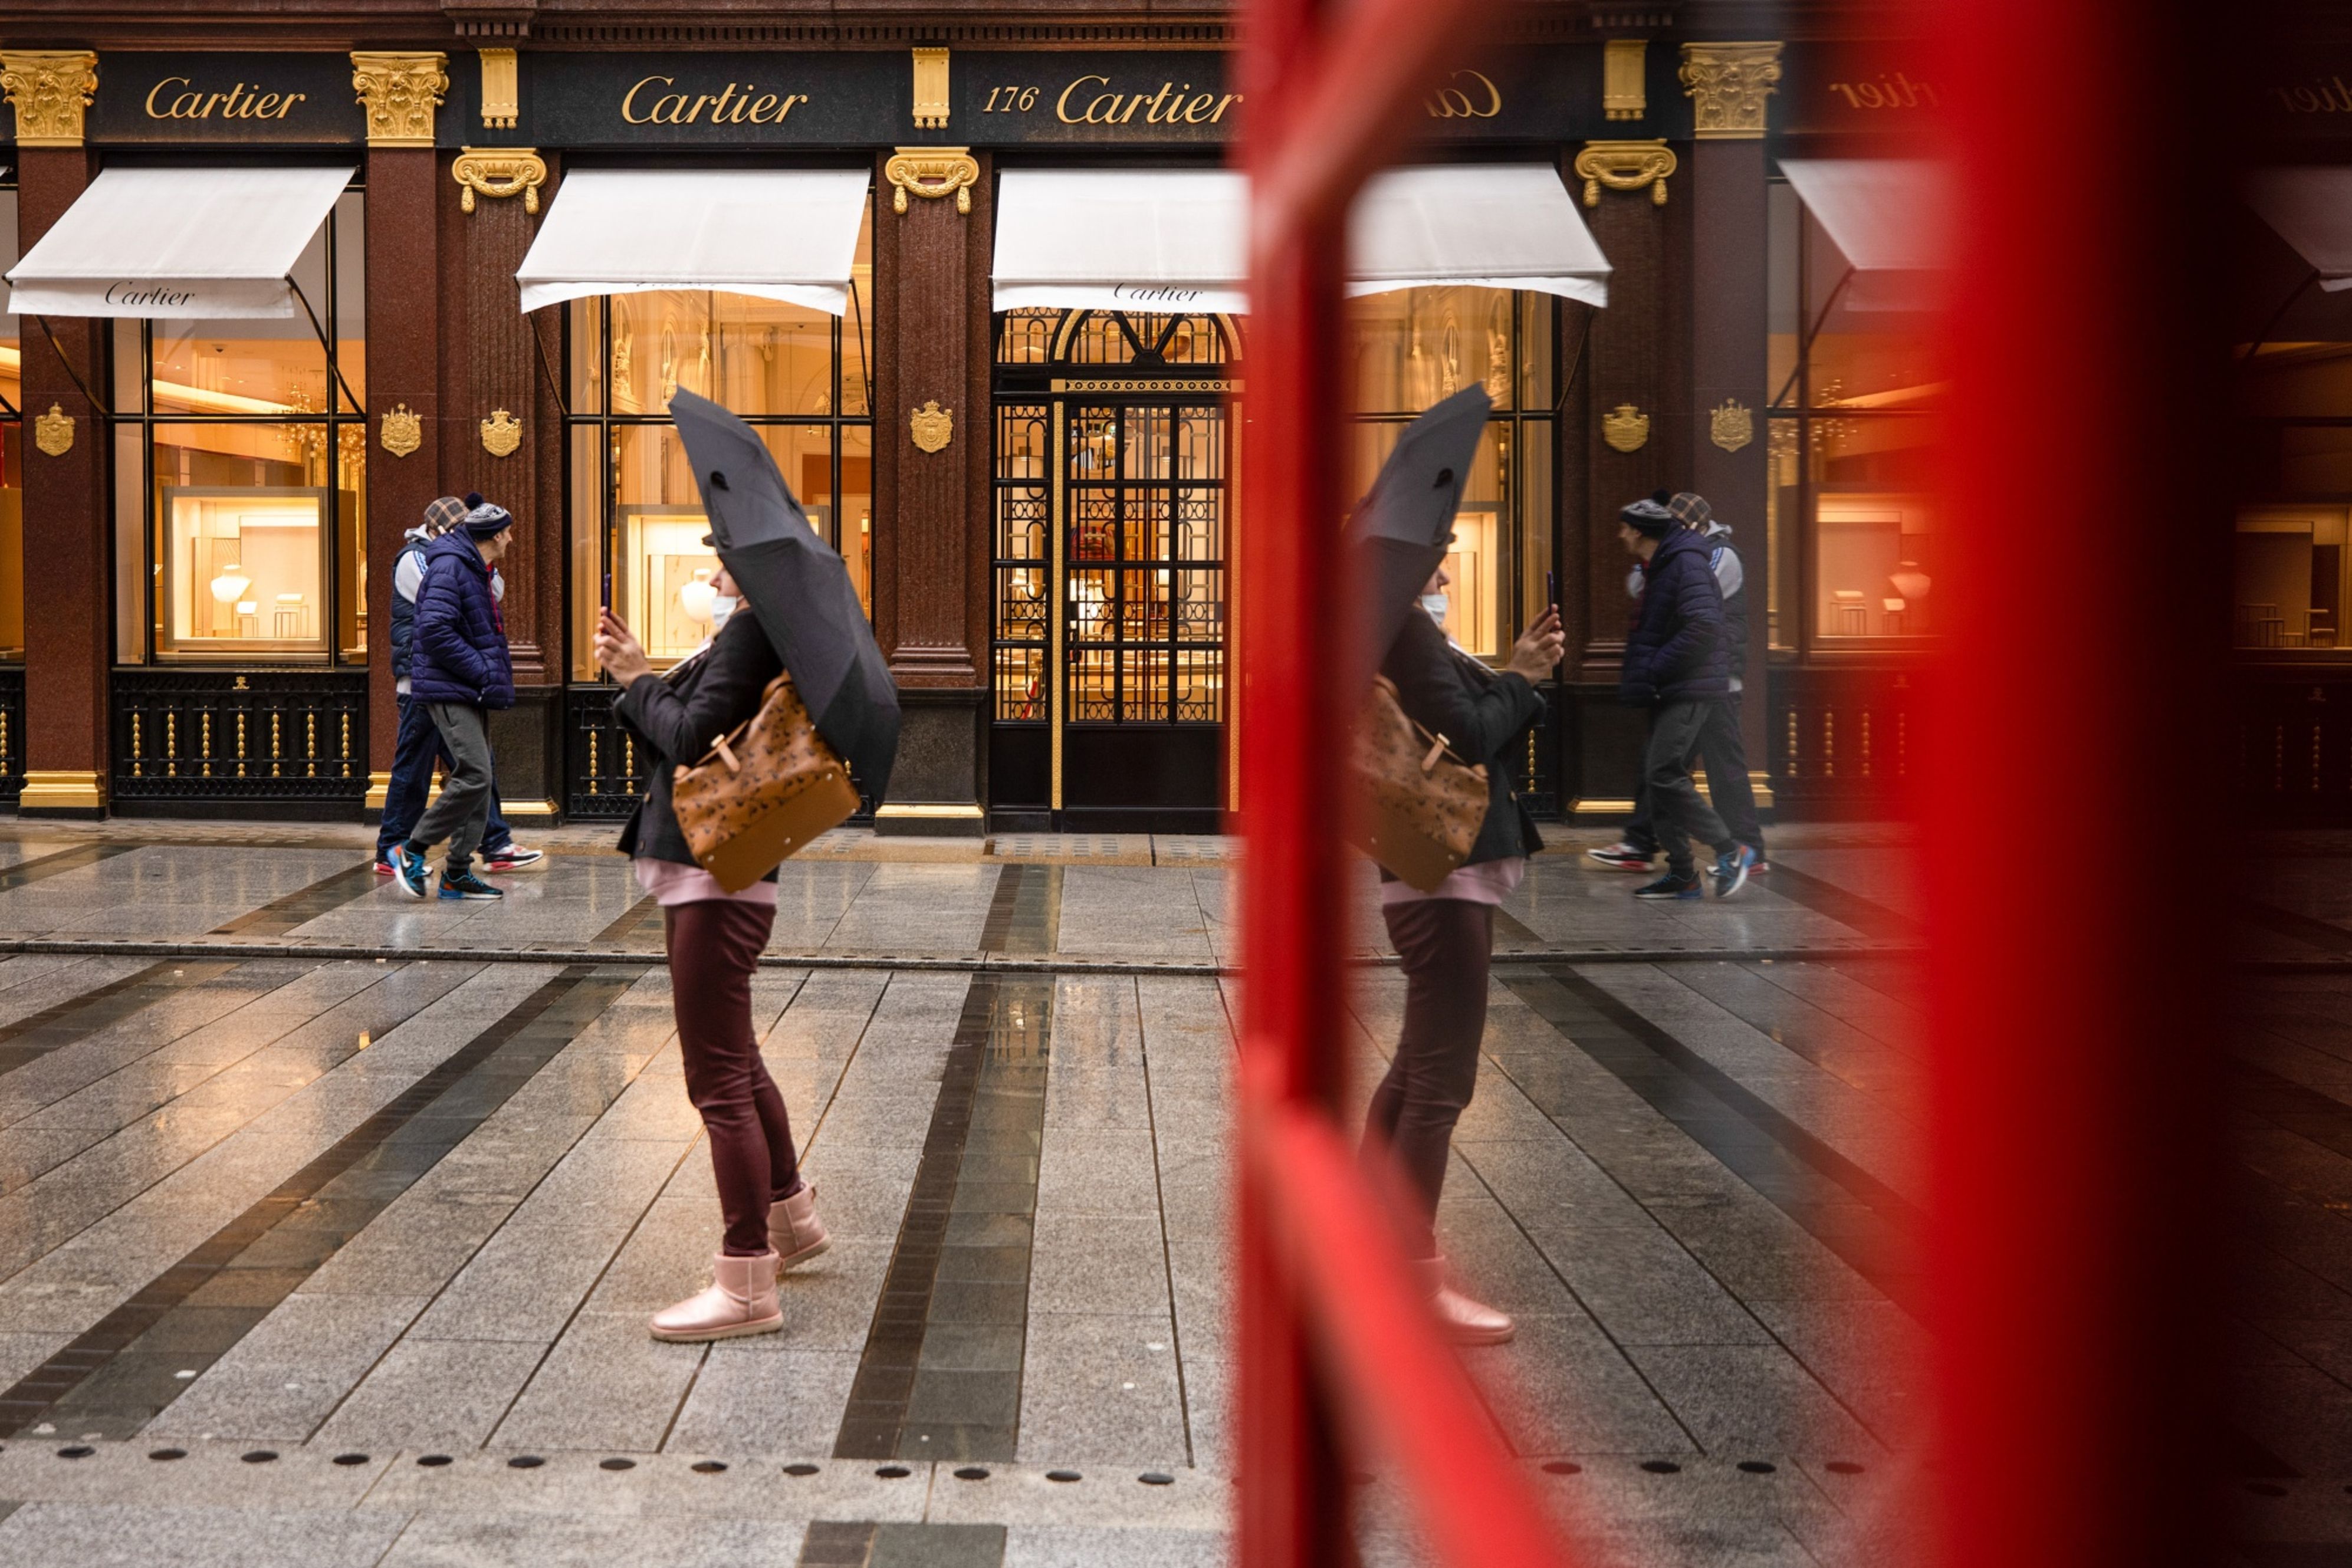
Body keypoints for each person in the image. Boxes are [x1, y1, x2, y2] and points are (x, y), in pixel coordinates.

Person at [592, 556, 828, 1343]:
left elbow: (690, 738)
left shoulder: (752, 629)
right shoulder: (758, 631)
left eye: (721, 552)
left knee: (717, 1079)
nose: (713, 565)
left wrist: (636, 678)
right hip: (720, 864)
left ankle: (746, 1279)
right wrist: (644, 683)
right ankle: (789, 1216)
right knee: (739, 1058)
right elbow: (689, 728)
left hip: (712, 870)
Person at [1368, 561, 1563, 1345]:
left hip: (1428, 867)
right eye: (1438, 545)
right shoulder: (1404, 627)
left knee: (1416, 1068)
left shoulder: (1393, 627)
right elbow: (1471, 735)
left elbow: (1462, 718)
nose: (1446, 558)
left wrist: (1512, 672)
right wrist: (1518, 675)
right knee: (1441, 1084)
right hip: (1446, 874)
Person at [1591, 491, 1769, 874]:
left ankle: (1745, 850)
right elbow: (1642, 588)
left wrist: (1656, 662)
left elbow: (1670, 600)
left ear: (1693, 527)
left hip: (1716, 680)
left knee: (1721, 768)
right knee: (1662, 767)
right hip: (1690, 679)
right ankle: (1647, 844)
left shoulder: (1715, 556)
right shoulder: (1684, 557)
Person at [374, 494, 540, 876]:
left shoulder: (454, 559)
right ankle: (393, 850)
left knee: (477, 769)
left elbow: (490, 594)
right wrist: (482, 669)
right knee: (414, 769)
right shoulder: (418, 559)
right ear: (439, 530)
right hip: (422, 684)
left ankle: (493, 844)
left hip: (451, 684)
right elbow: (451, 612)